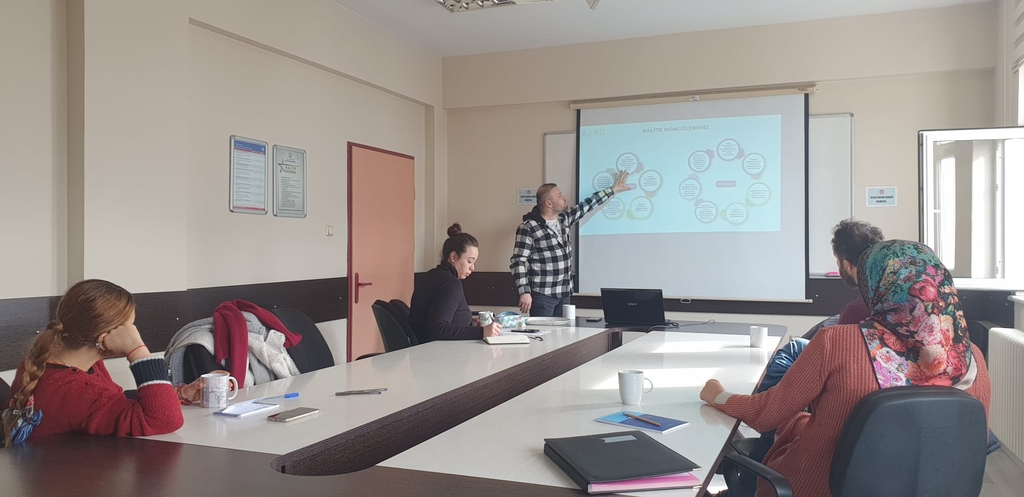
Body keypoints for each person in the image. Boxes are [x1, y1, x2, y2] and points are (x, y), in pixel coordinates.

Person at [701, 240, 991, 497]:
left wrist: (719, 396)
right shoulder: (973, 358)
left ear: (876, 285)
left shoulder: (837, 342)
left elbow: (766, 415)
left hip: (817, 488)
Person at [2, 279, 196, 447]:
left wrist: (178, 393)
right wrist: (138, 351)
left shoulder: (46, 362)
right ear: (104, 337)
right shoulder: (72, 390)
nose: (133, 333)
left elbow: (111, 400)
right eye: (129, 327)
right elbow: (164, 419)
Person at [510, 171, 631, 317]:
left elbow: (587, 205)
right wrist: (524, 292)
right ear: (549, 203)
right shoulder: (529, 227)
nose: (564, 197)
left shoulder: (563, 219)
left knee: (565, 332)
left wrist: (613, 189)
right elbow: (518, 261)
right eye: (559, 195)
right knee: (543, 332)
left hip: (565, 293)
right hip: (543, 296)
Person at [410, 223, 502, 342]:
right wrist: (482, 332)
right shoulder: (451, 284)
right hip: (436, 351)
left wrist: (471, 325)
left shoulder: (430, 275)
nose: (472, 267)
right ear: (453, 257)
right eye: (469, 261)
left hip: (422, 348)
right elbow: (438, 329)